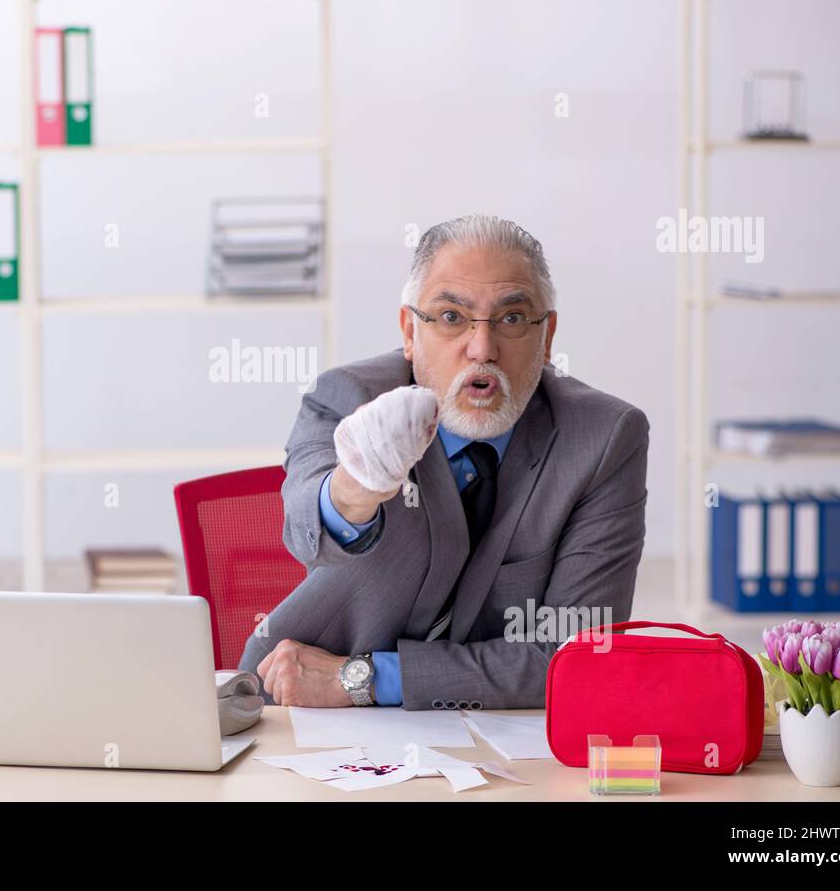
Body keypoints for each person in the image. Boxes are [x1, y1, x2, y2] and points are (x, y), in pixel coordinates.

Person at [238, 214, 649, 710]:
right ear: (410, 331)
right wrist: (355, 489)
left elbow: (581, 657)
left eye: (512, 319)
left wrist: (364, 679)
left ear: (548, 338)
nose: (482, 349)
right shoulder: (350, 397)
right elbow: (306, 526)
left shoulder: (605, 438)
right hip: (300, 706)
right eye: (451, 317)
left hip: (489, 733)